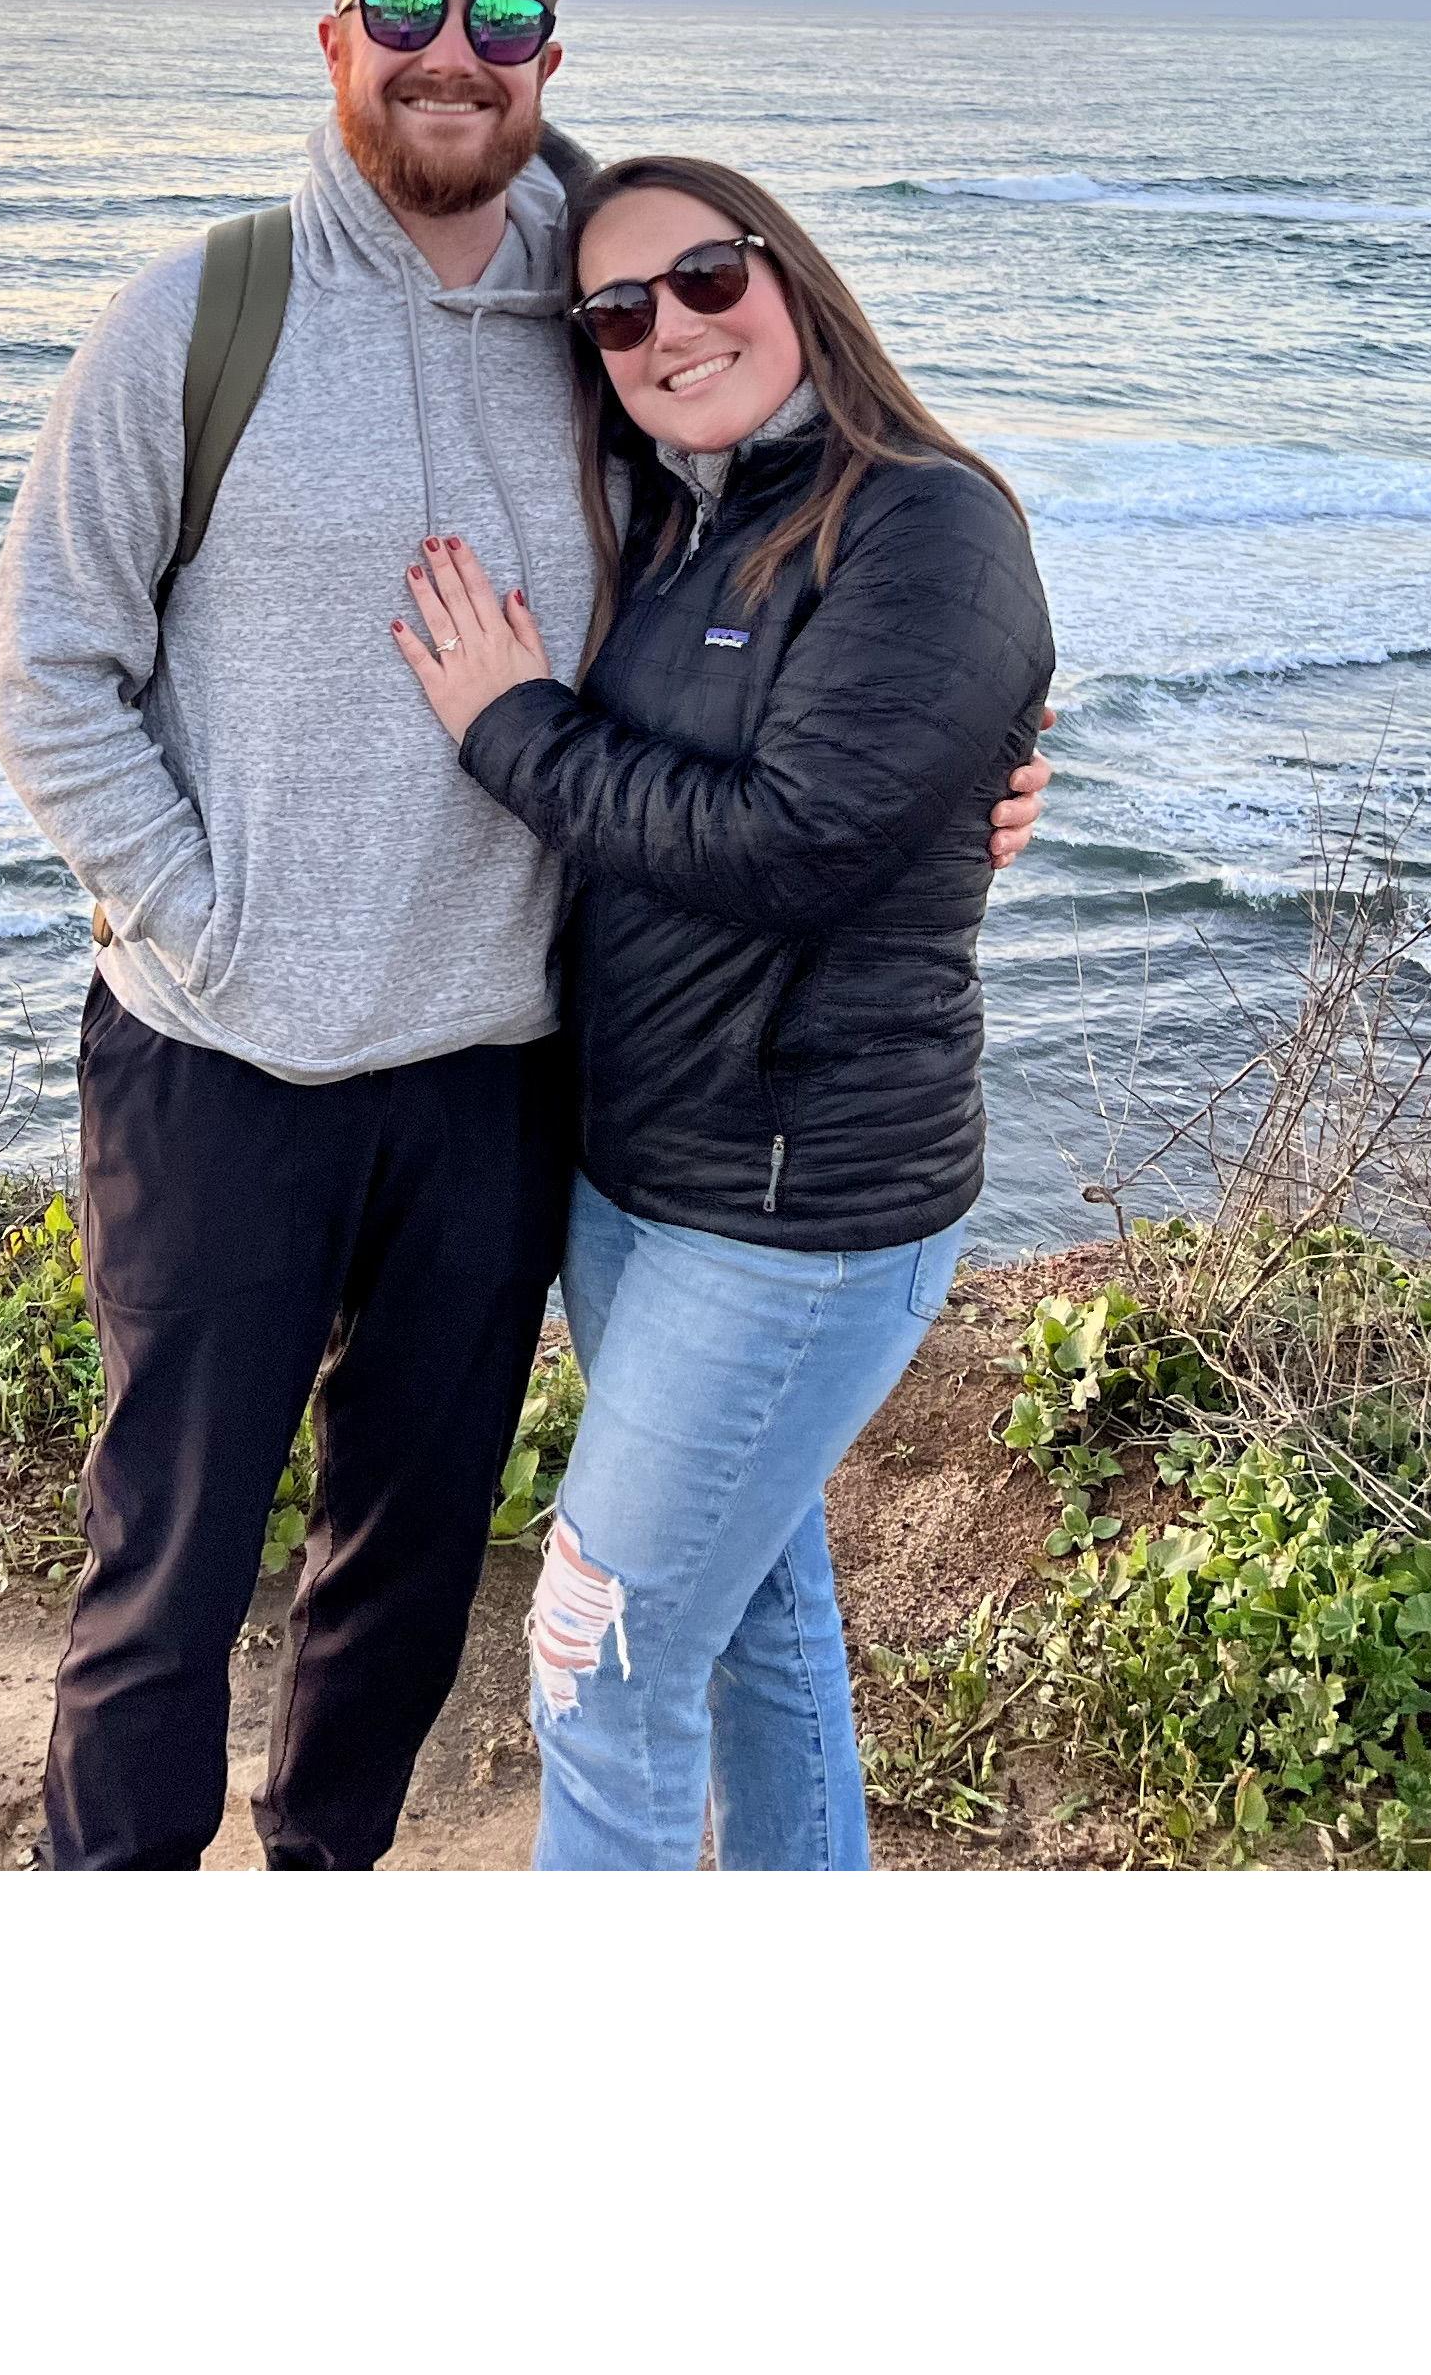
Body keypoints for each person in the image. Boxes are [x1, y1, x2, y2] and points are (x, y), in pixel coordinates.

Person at [0, 0, 1050, 1869]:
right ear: (335, 41)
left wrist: (959, 771)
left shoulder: (608, 316)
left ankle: (329, 1880)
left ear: (553, 51)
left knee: (400, 1574)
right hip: (223, 1068)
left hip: (498, 1081)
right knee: (171, 1573)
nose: (449, 56)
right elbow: (44, 670)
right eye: (404, 13)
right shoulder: (196, 324)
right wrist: (213, 930)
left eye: (496, 20)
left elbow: (800, 592)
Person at [391, 152, 1055, 1871]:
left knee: (597, 1670)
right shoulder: (696, 519)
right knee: (755, 1617)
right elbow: (823, 784)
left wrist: (509, 725)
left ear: (790, 271)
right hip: (640, 1185)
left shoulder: (929, 520)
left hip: (797, 1216)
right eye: (614, 312)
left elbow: (796, 847)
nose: (667, 329)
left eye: (703, 278)